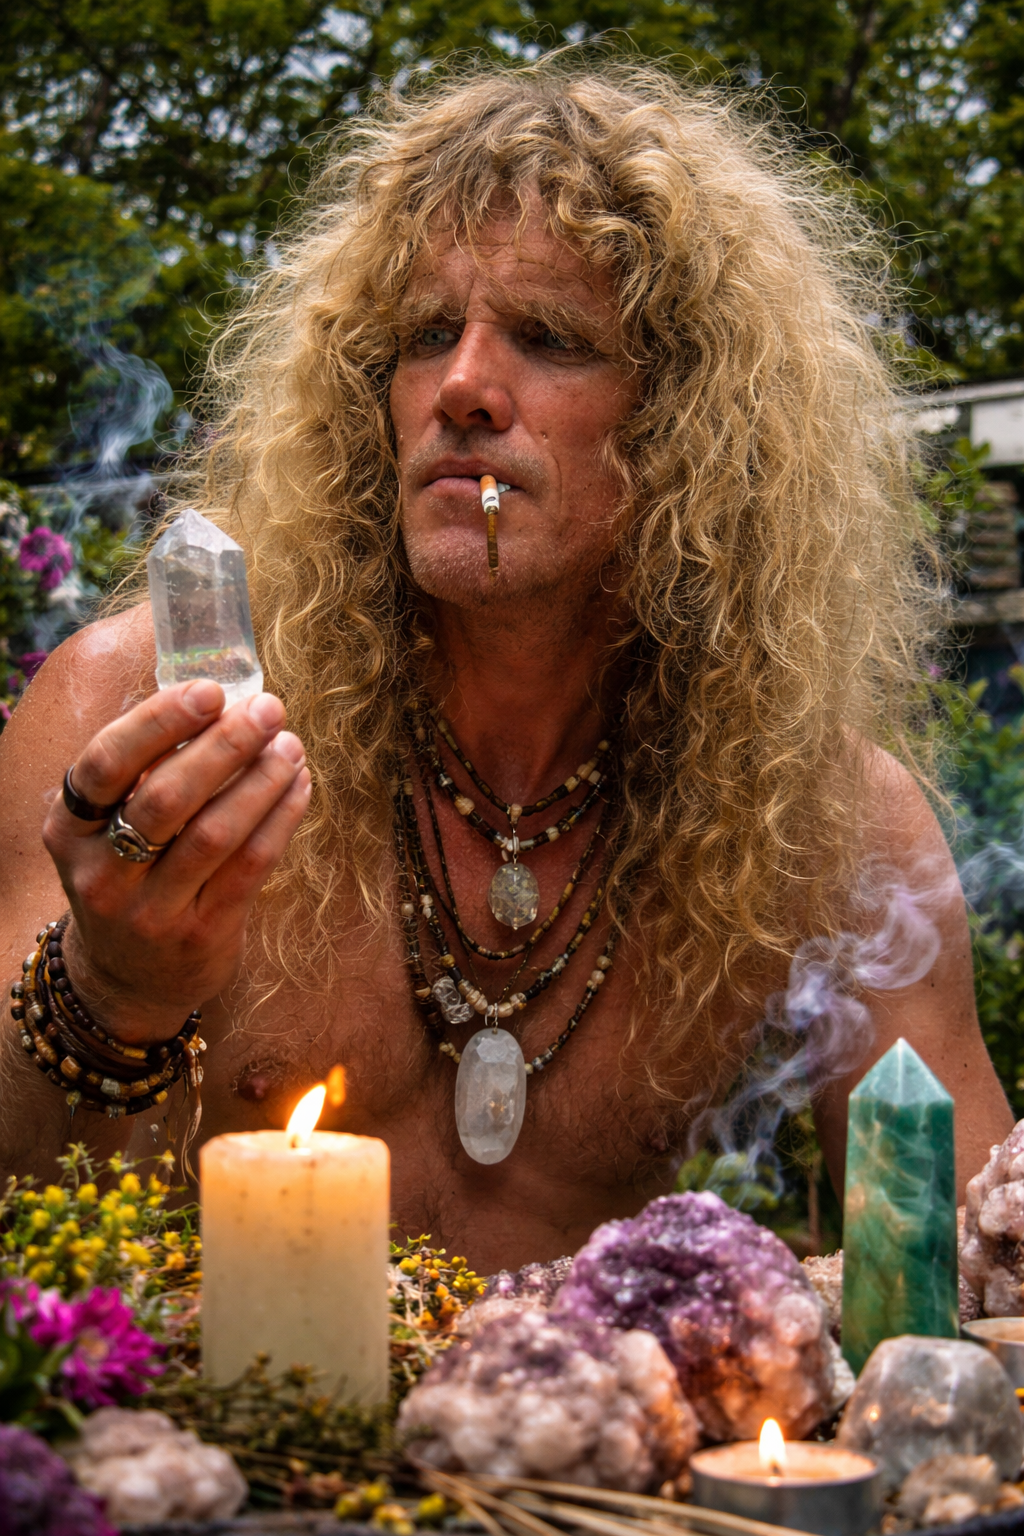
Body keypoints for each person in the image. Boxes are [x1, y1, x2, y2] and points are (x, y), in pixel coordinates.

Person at [0, 61, 1010, 1273]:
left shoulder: (821, 816)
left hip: (574, 1403)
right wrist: (110, 990)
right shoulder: (135, 719)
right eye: (425, 336)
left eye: (549, 339)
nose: (463, 388)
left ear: (690, 423)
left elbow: (974, 1271)